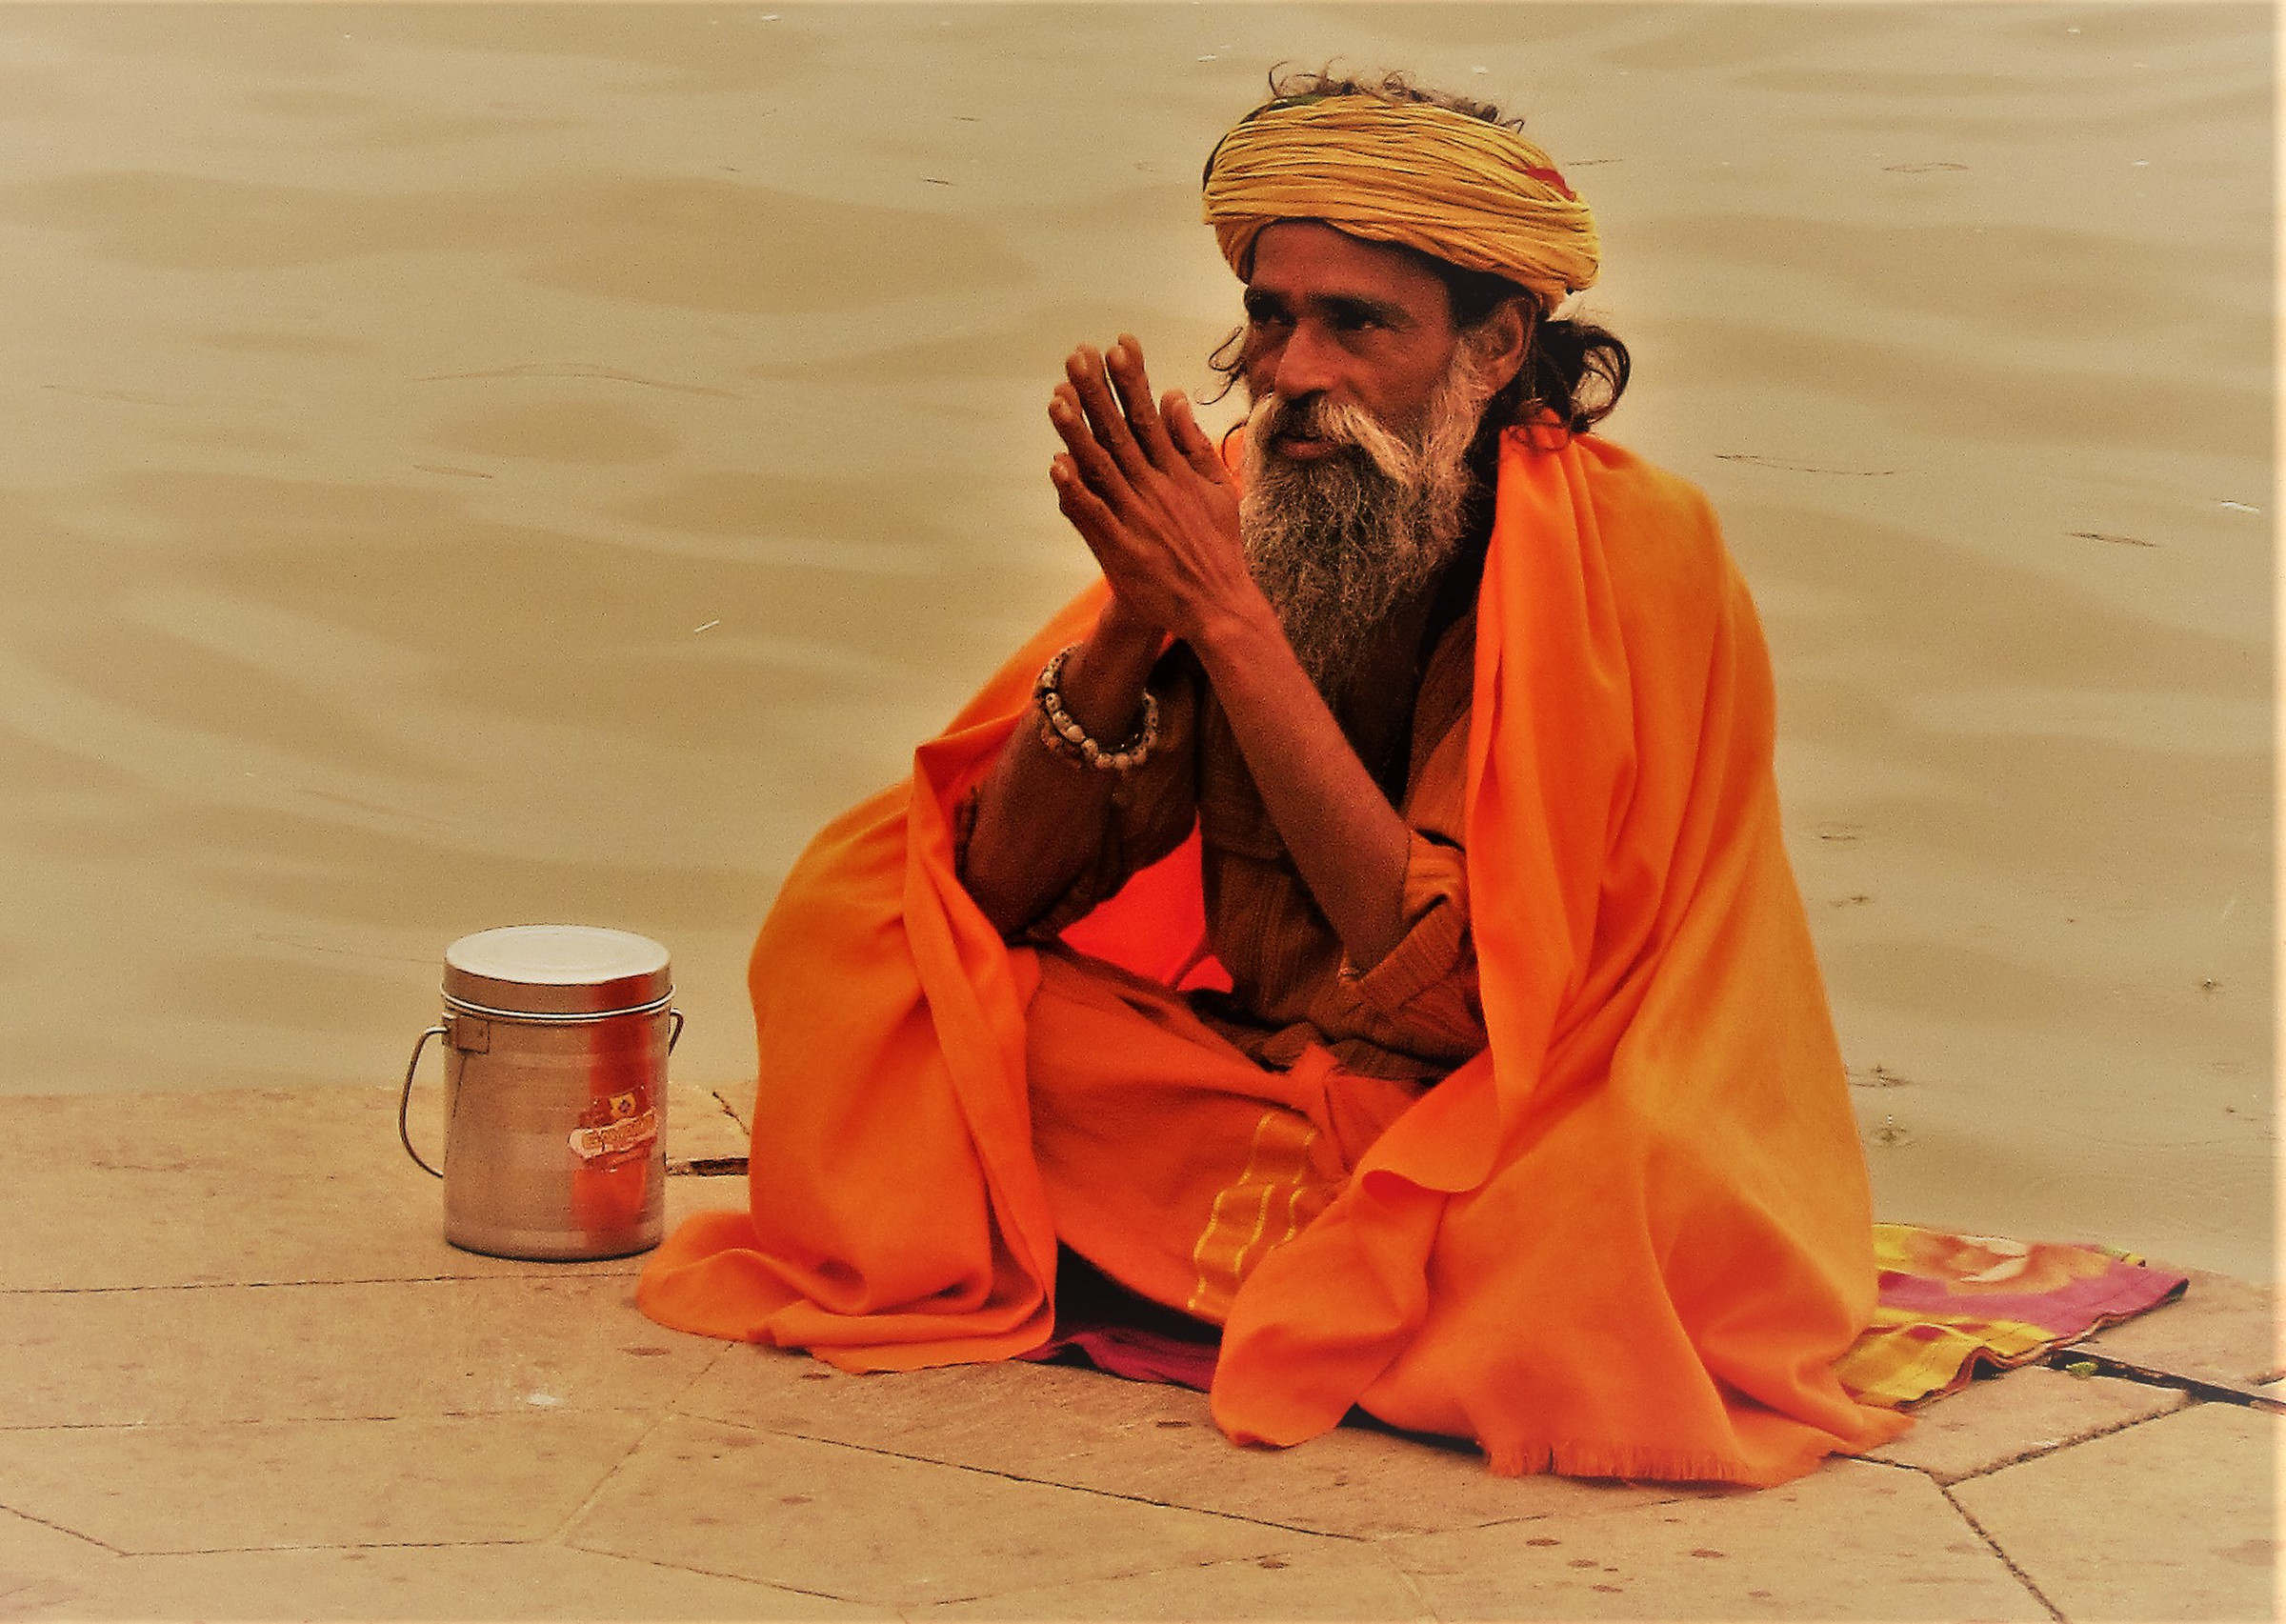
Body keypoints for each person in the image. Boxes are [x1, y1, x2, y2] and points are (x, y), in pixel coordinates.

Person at [639, 70, 1912, 1486]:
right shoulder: (1261, 505)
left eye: (1355, 323)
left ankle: (1226, 1247)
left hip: (1542, 1119)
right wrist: (1137, 611)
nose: (1294, 371)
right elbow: (995, 885)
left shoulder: (1631, 556)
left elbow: (1458, 1001)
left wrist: (1233, 620)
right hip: (1274, 1082)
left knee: (1565, 1246)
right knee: (872, 951)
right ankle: (1266, 1245)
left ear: (1496, 344)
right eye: (1268, 315)